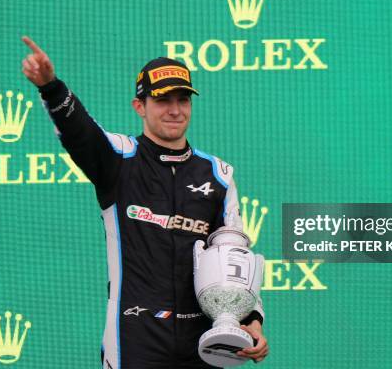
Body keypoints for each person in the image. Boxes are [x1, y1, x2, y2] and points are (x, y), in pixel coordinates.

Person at [20, 36, 268, 368]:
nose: (175, 110)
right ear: (140, 106)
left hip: (203, 341)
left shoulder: (218, 175)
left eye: (183, 99)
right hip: (134, 336)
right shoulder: (119, 159)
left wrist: (251, 317)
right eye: (163, 100)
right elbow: (80, 132)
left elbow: (235, 259)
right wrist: (51, 87)